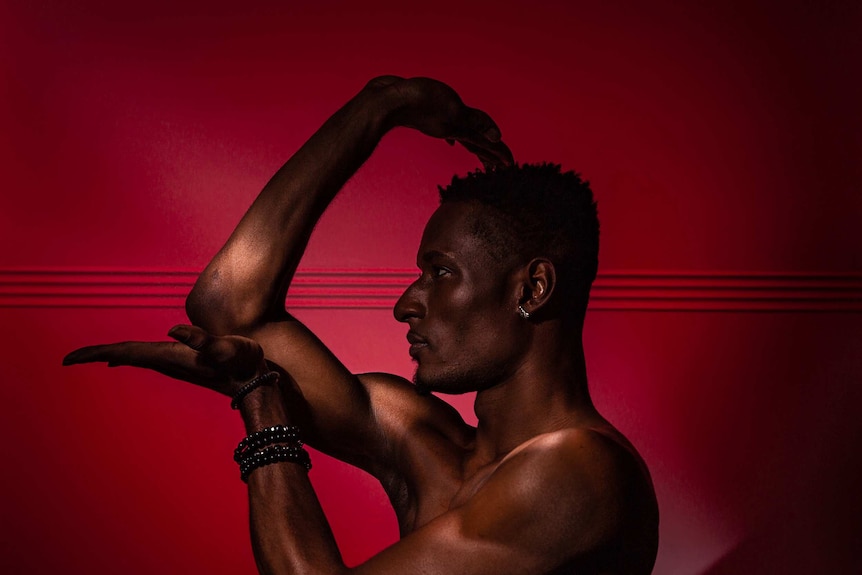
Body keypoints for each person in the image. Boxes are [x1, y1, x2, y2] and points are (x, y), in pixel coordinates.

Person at [64, 76, 659, 574]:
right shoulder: (428, 443)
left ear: (532, 289)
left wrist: (262, 403)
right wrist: (381, 106)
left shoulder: (579, 474)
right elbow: (228, 303)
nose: (406, 304)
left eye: (441, 273)